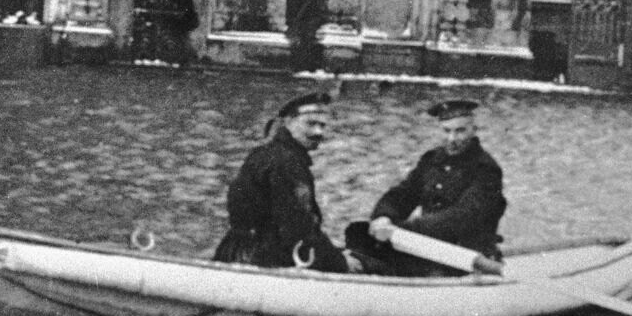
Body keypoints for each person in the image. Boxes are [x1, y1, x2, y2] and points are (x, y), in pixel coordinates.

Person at [347, 99, 507, 276]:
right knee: (358, 232)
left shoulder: (486, 169)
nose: (452, 139)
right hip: (426, 248)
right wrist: (384, 217)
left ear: (474, 130)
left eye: (460, 131)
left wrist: (400, 229)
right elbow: (402, 194)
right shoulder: (431, 160)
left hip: (465, 255)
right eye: (446, 131)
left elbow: (462, 217)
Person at [212, 92, 359, 272]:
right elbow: (299, 227)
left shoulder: (264, 153)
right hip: (264, 259)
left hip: (235, 251)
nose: (318, 132)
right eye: (311, 124)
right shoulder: (287, 164)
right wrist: (340, 262)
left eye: (322, 125)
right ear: (289, 122)